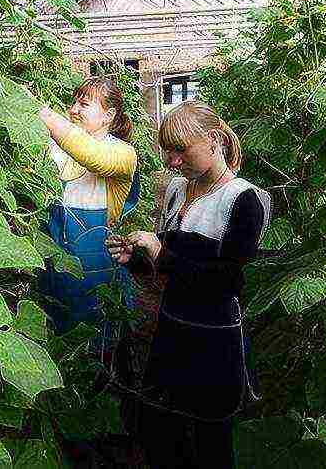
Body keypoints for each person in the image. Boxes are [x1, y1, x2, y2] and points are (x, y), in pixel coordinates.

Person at [106, 101, 270, 468]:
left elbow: (225, 281)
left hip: (214, 339)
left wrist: (161, 252)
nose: (172, 161)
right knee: (166, 436)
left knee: (211, 443)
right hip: (173, 328)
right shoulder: (180, 191)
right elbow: (171, 270)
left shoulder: (244, 200)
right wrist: (136, 258)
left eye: (181, 150)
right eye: (168, 150)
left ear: (214, 141)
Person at [37, 77, 140, 340]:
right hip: (52, 264)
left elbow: (91, 156)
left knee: (95, 341)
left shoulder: (123, 153)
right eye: (73, 103)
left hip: (96, 267)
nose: (73, 109)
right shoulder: (57, 147)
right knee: (55, 338)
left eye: (84, 104)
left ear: (109, 115)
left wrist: (44, 114)